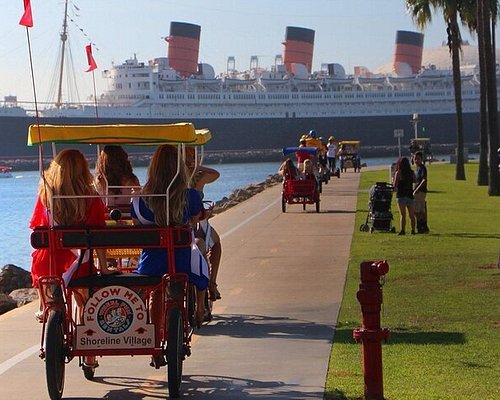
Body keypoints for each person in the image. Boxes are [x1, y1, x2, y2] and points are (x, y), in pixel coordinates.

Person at [30, 149, 111, 368]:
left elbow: (35, 227)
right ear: (82, 170)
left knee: (41, 264)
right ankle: (89, 351)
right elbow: (99, 237)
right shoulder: (90, 197)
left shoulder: (45, 195)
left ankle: (45, 308)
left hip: (49, 262)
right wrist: (103, 269)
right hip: (78, 261)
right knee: (83, 299)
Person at [131, 145, 209, 352]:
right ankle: (200, 308)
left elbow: (137, 225)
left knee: (156, 294)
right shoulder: (189, 195)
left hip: (151, 264)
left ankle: (154, 341)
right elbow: (194, 222)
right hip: (182, 261)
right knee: (200, 257)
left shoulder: (140, 199)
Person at [185, 147, 223, 301]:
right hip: (196, 223)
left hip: (183, 223)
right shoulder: (198, 179)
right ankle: (212, 283)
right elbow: (216, 174)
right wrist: (197, 167)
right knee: (217, 244)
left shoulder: (172, 178)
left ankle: (210, 284)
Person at [392, 157, 416, 235]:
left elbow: (395, 185)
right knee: (412, 215)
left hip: (401, 195)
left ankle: (403, 230)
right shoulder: (411, 172)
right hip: (409, 195)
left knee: (402, 215)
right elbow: (415, 180)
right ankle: (413, 230)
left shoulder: (398, 173)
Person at [413, 151, 429, 233]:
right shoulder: (417, 169)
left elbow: (424, 180)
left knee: (416, 210)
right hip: (419, 191)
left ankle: (420, 226)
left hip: (420, 192)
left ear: (421, 159)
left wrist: (417, 189)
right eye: (415, 159)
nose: (416, 161)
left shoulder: (422, 168)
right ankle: (424, 226)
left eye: (418, 159)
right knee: (421, 210)